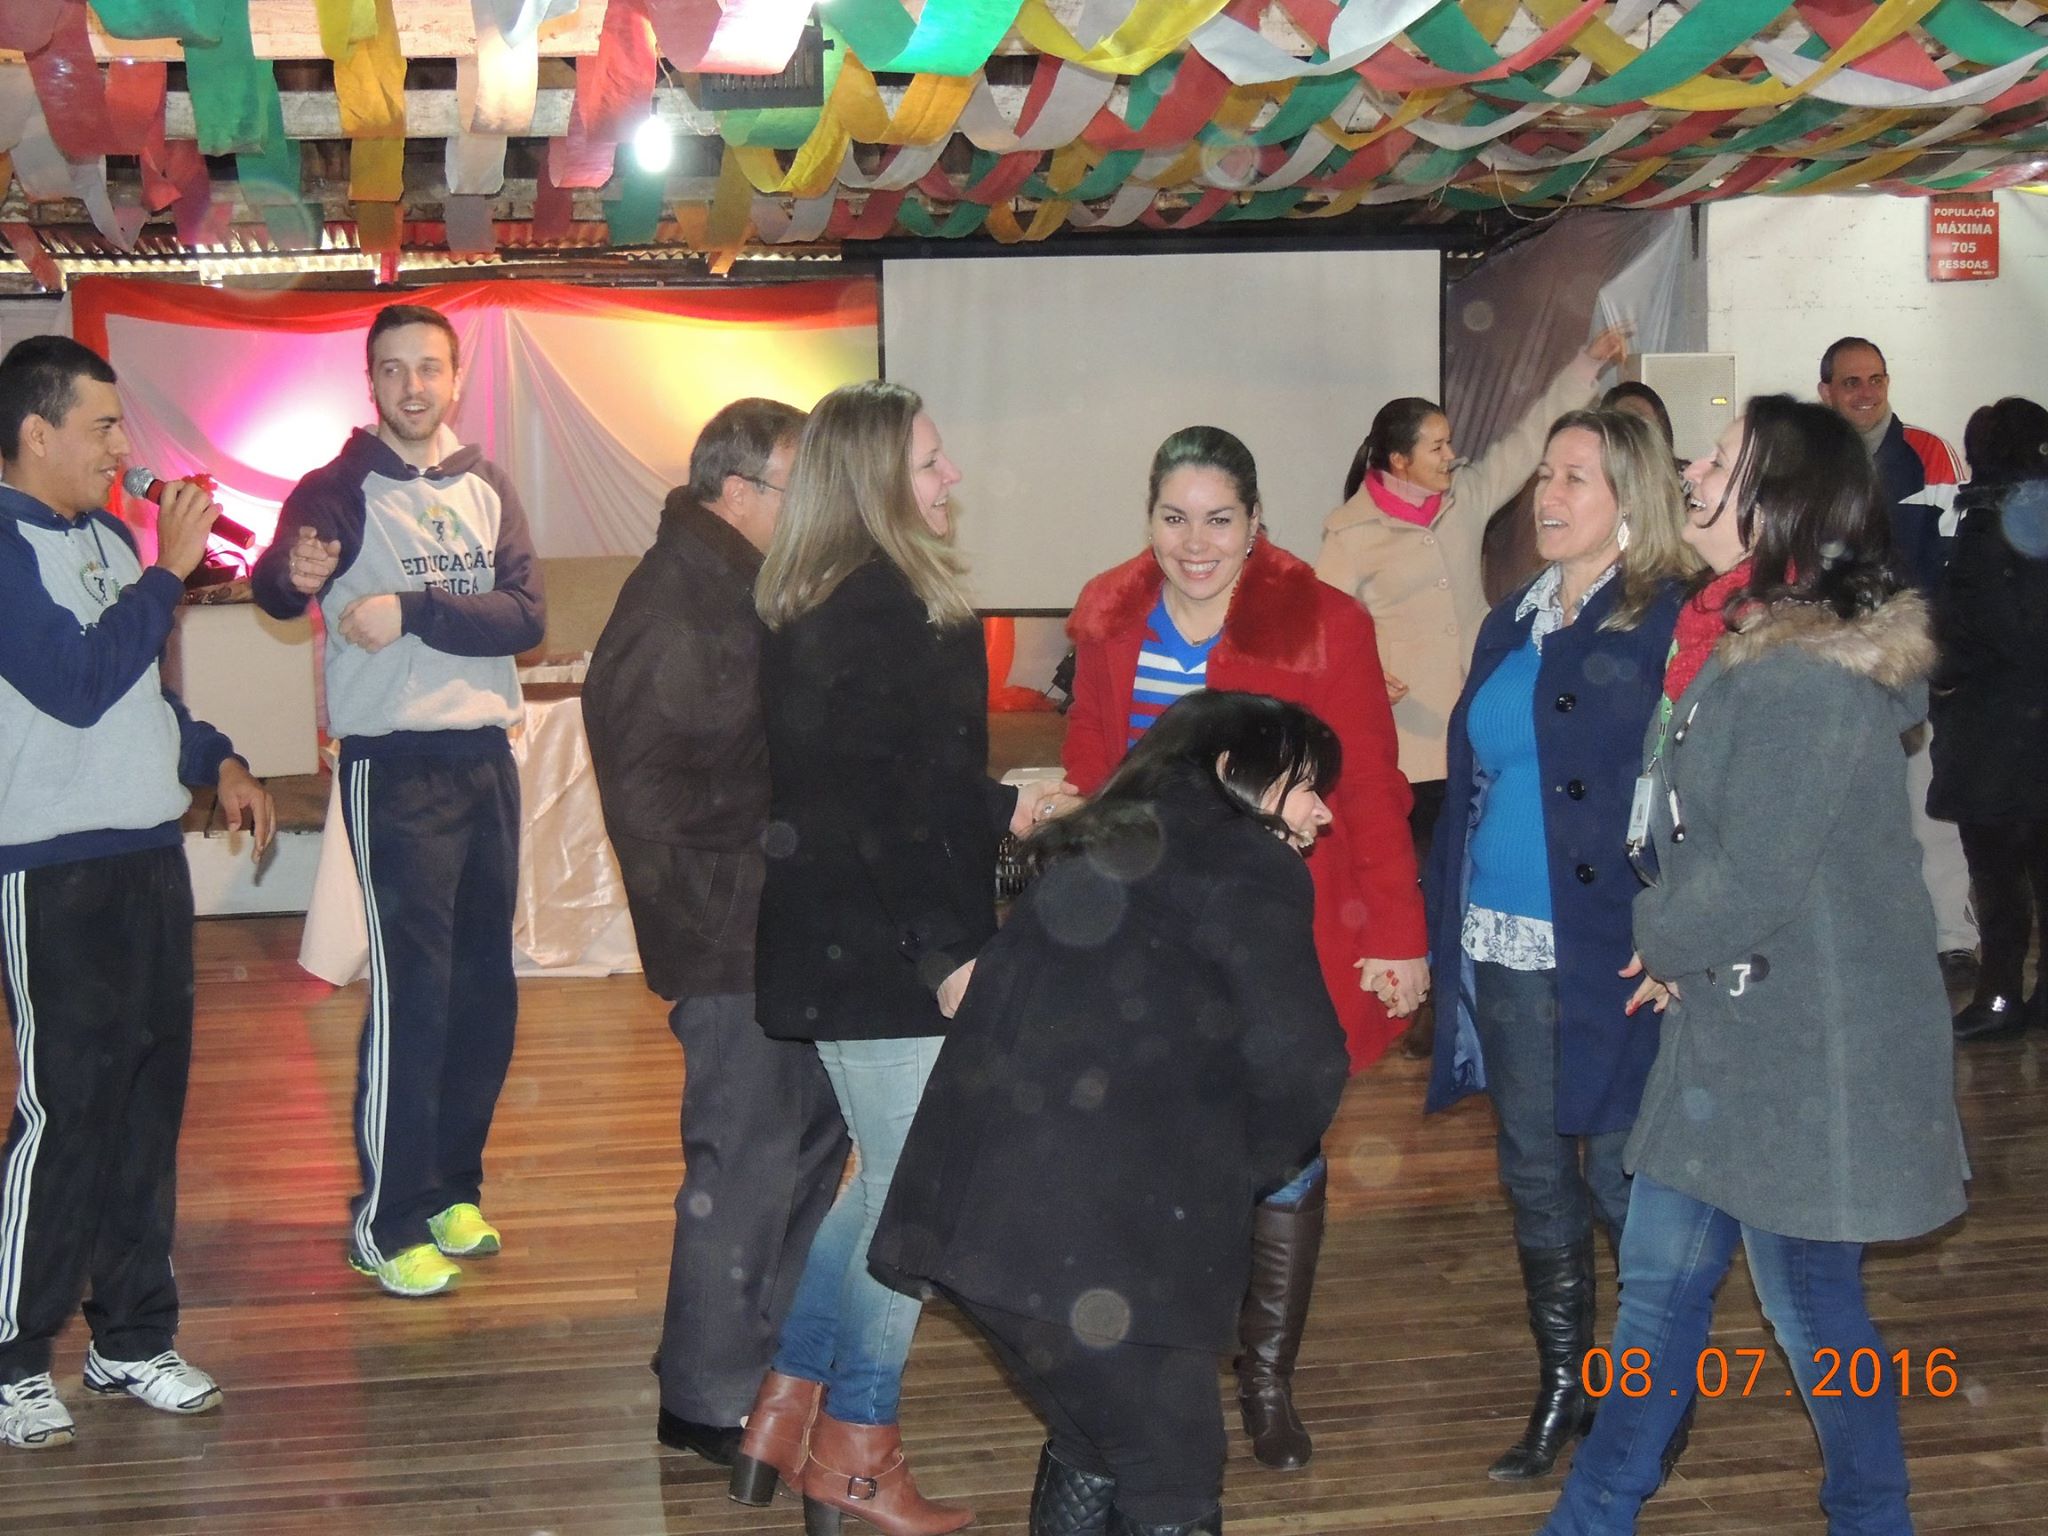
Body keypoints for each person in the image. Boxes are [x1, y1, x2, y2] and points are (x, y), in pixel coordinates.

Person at [1537, 396, 1969, 1535]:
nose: (1691, 470)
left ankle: (1871, 1518)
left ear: (1775, 503)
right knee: (1657, 1304)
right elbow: (1715, 853)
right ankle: (1589, 1518)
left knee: (1812, 1311)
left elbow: (1756, 877)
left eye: (1719, 461)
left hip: (1806, 1054)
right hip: (1733, 1038)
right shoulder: (1734, 637)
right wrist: (1681, 940)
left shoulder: (1801, 674)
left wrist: (1659, 939)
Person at [871, 690, 1351, 1536]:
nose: (1324, 812)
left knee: (1094, 1438)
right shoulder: (1247, 864)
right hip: (1094, 1246)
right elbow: (1303, 1068)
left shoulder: (1102, 845)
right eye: (1307, 785)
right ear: (1233, 772)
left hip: (974, 1229)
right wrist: (1222, 1177)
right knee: (1174, 1470)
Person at [726, 380, 1067, 1536]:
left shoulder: (813, 597)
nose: (949, 476)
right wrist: (947, 954)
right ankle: (855, 1451)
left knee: (878, 1187)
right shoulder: (907, 609)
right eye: (928, 461)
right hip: (885, 952)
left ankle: (787, 1405)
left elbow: (875, 780)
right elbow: (888, 810)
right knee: (911, 1207)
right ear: (875, 479)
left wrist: (995, 806)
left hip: (832, 941)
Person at [1062, 426, 1420, 1471]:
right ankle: (1167, 1364)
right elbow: (1092, 768)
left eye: (1219, 519)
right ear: (1148, 519)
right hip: (1145, 939)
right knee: (1155, 1151)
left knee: (1284, 1146)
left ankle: (1265, 1380)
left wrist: (1397, 932)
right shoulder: (1108, 615)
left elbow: (1371, 789)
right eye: (1173, 518)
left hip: (1279, 935)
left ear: (1256, 521)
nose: (1195, 543)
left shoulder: (1326, 624)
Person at [0, 335, 275, 1449]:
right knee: (65, 1116)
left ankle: (130, 1339)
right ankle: (14, 1360)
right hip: (49, 869)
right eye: (103, 425)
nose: (123, 447)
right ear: (36, 433)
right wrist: (169, 572)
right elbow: (72, 684)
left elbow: (140, 703)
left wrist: (218, 758)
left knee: (147, 1112)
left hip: (147, 859)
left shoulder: (111, 540)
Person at [251, 302, 546, 1299]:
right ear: (371, 382)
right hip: (396, 766)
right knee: (415, 995)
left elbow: (526, 617)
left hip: (485, 756)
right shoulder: (338, 488)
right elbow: (282, 582)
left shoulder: (486, 484)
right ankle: (385, 1220)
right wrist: (293, 574)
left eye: (428, 367)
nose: (412, 386)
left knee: (483, 994)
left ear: (454, 380)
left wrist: (413, 609)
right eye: (392, 369)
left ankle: (452, 1190)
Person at [1423, 410, 1694, 1481]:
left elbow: (1699, 796)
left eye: (1575, 476)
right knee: (1534, 1171)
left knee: (1625, 1179)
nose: (1547, 493)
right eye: (1544, 473)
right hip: (1500, 939)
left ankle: (1651, 1397)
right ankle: (1564, 1386)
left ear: (1630, 500)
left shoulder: (1666, 621)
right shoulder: (1513, 618)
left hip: (1614, 949)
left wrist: (1679, 931)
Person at [583, 399, 850, 1461]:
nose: (815, 507)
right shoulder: (677, 603)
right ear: (736, 493)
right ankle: (705, 1399)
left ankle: (757, 1357)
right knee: (743, 1161)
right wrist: (792, 818)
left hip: (767, 917)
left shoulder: (735, 582)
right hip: (727, 928)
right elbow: (648, 799)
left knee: (805, 1142)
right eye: (799, 487)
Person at [1317, 326, 1629, 849]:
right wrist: (1365, 672)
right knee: (1422, 861)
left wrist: (1587, 365)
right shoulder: (1350, 533)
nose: (1450, 454)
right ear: (1400, 461)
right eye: (1436, 446)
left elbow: (1530, 438)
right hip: (1409, 741)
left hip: (1483, 720)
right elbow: (1321, 626)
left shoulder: (1467, 495)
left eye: (1449, 442)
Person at [1816, 336, 1978, 990]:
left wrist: (1939, 653)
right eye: (1851, 382)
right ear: (1826, 391)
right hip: (1833, 664)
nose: (1866, 392)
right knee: (1844, 808)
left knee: (1929, 807)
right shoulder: (1808, 463)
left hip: (1913, 663)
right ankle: (1863, 938)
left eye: (1876, 379)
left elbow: (1958, 560)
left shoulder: (1929, 454)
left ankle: (1954, 939)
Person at [1930, 396, 2048, 1041]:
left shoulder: (1987, 522)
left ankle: (2000, 996)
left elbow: (1982, 628)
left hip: (1996, 729)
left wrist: (1942, 669)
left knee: (1998, 877)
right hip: (2033, 723)